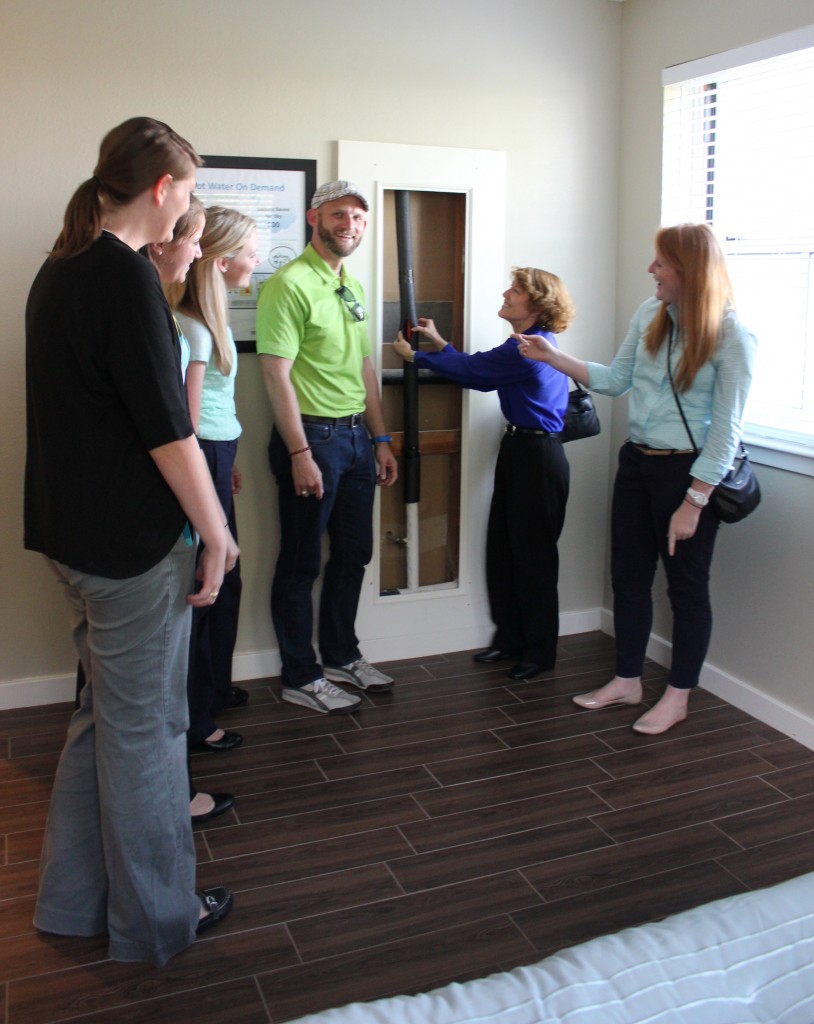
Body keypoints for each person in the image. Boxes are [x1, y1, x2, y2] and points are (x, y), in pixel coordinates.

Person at [24, 117, 237, 966]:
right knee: (147, 735)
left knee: (100, 720)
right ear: (163, 191)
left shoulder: (62, 266)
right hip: (129, 550)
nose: (189, 204)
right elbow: (168, 430)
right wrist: (216, 533)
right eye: (187, 190)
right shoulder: (122, 281)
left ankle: (71, 905)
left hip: (73, 540)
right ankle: (158, 921)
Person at [517, 223, 757, 735]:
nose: (652, 270)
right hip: (637, 464)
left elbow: (727, 430)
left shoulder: (733, 335)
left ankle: (678, 696)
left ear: (688, 270)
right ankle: (627, 680)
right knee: (627, 577)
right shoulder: (651, 314)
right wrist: (553, 356)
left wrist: (694, 501)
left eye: (660, 263)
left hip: (688, 474)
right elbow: (615, 379)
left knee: (686, 589)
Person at [256, 180, 398, 714]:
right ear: (314, 219)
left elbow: (364, 369)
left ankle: (341, 654)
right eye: (340, 215)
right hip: (312, 439)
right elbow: (276, 377)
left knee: (355, 554)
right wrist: (298, 453)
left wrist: (381, 438)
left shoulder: (351, 286)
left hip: (358, 438)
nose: (351, 225)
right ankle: (300, 674)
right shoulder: (289, 285)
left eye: (359, 218)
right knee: (300, 562)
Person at [393, 268, 573, 680]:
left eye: (517, 291)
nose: (507, 294)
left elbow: (477, 373)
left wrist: (417, 356)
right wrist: (441, 345)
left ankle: (539, 653)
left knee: (534, 559)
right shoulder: (521, 345)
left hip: (538, 457)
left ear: (538, 305)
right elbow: (483, 367)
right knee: (504, 550)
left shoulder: (532, 347)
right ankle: (510, 640)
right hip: (519, 449)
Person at [147, 195, 236, 823]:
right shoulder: (167, 322)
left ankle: (173, 783)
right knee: (155, 675)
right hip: (157, 507)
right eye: (195, 239)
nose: (200, 252)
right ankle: (169, 797)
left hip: (176, 492)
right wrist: (211, 529)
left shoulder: (170, 320)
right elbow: (178, 426)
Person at [167, 206, 259, 751]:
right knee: (211, 582)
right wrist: (210, 476)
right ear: (221, 262)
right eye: (249, 252)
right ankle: (199, 719)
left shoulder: (207, 322)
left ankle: (213, 691)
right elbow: (189, 423)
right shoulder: (195, 331)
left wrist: (230, 465)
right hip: (206, 454)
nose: (256, 261)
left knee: (226, 580)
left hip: (220, 454)